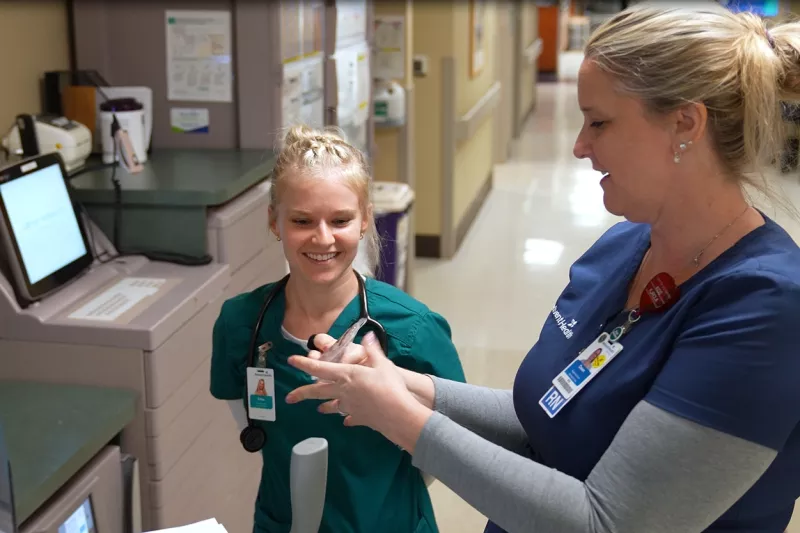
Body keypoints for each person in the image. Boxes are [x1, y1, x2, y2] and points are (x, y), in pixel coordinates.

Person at [284, 5, 800, 533]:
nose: (579, 146)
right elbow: (554, 417)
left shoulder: (766, 309)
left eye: (599, 122)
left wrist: (401, 417)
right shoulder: (626, 245)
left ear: (684, 124)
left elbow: (608, 523)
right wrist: (404, 385)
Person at [209, 125, 466, 533]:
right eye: (302, 220)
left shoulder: (411, 331)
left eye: (341, 219)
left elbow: (449, 446)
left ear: (365, 220)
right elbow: (253, 429)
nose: (323, 237)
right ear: (274, 222)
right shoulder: (242, 325)